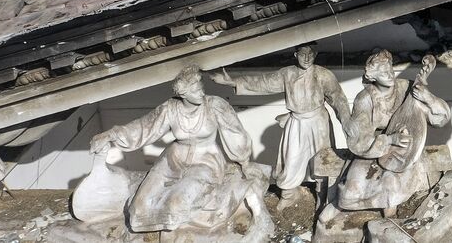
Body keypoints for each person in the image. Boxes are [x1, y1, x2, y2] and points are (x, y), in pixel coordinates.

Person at [90, 67, 267, 236]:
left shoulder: (214, 105)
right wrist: (111, 134)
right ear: (182, 94)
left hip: (205, 161)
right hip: (172, 160)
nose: (202, 93)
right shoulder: (170, 108)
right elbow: (144, 128)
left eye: (201, 88)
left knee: (176, 204)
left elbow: (235, 132)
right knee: (139, 208)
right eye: (196, 90)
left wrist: (244, 161)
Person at [211, 43, 350, 201]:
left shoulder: (324, 75)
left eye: (310, 54)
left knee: (323, 157)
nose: (306, 58)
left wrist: (347, 123)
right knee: (291, 159)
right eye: (302, 54)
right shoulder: (287, 74)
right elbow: (264, 83)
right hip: (297, 122)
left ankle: (324, 194)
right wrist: (235, 82)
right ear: (295, 55)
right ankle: (289, 195)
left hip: (319, 122)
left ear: (315, 55)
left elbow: (338, 98)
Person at [329, 57, 451, 218]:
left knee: (393, 182)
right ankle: (361, 206)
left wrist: (429, 98)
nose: (390, 75)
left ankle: (389, 211)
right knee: (349, 194)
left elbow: (440, 120)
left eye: (391, 70)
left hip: (404, 149)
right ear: (372, 77)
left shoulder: (406, 88)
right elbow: (360, 138)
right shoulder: (364, 98)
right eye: (384, 73)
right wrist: (389, 140)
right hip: (374, 148)